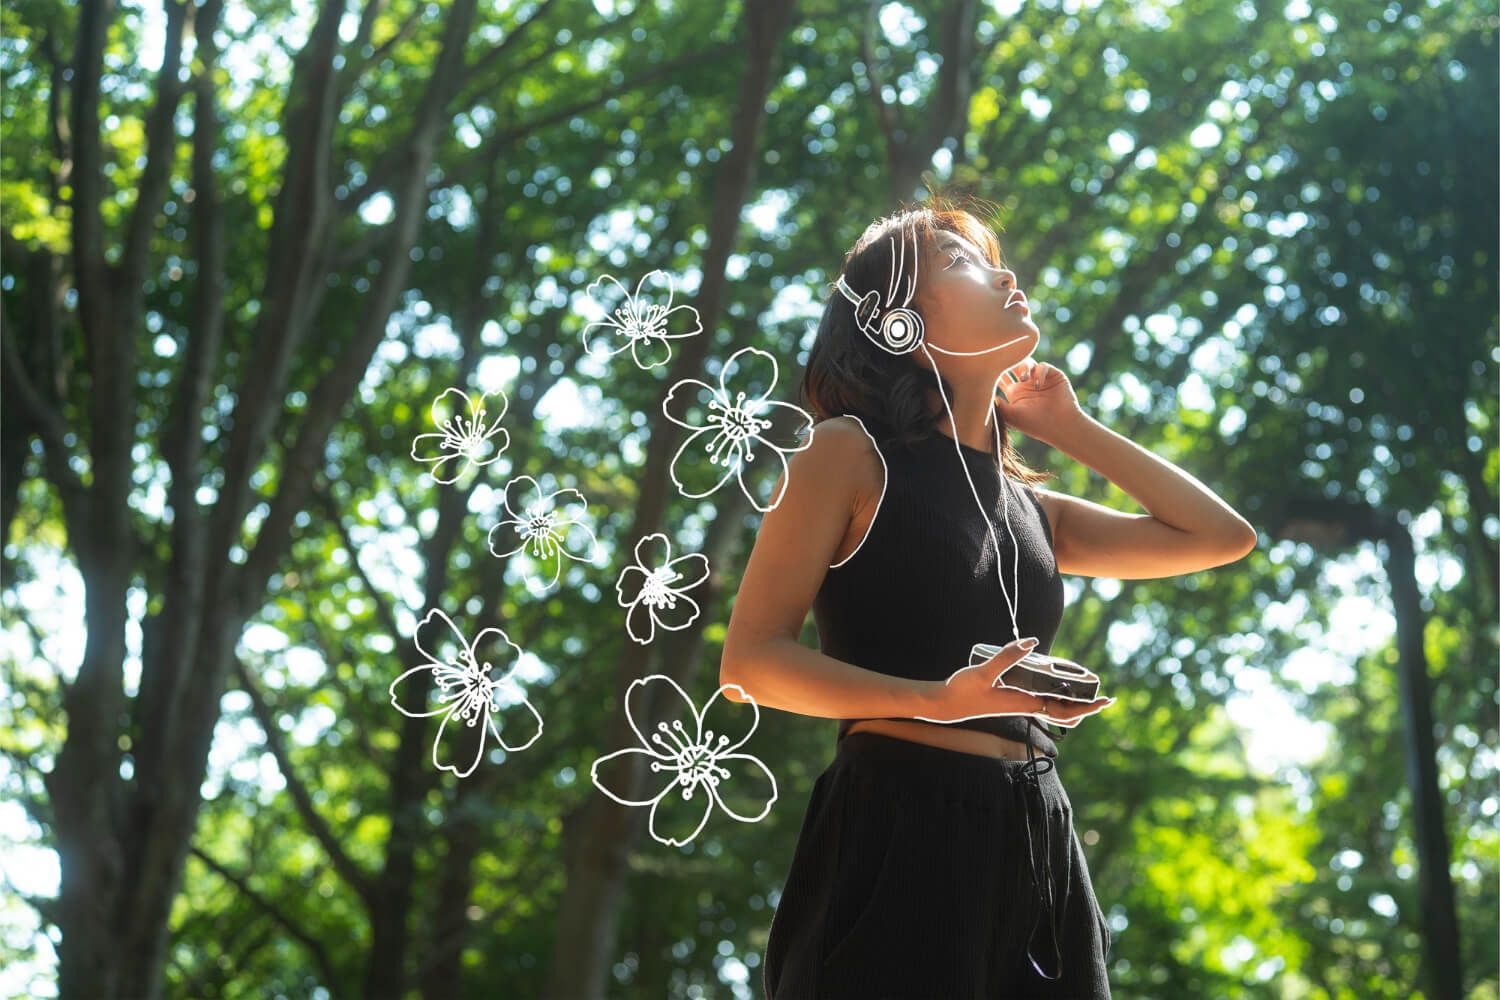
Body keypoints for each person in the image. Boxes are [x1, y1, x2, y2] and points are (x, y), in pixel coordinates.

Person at [719, 198, 1258, 999]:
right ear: (898, 322)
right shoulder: (845, 454)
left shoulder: (1032, 508)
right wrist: (937, 702)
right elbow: (750, 662)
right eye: (962, 261)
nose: (1005, 273)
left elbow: (1220, 536)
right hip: (898, 827)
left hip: (1040, 838)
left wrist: (1071, 429)